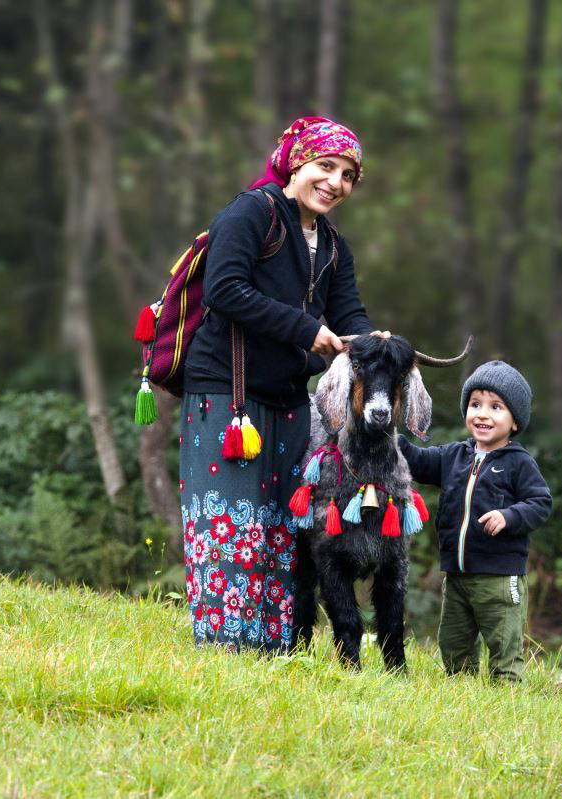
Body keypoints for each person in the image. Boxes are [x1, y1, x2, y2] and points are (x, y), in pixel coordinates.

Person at [180, 116, 377, 652]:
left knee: (281, 527)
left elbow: (349, 314)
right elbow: (224, 290)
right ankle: (225, 649)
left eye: (348, 175)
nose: (335, 183)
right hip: (226, 392)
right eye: (325, 166)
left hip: (291, 400)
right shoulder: (251, 213)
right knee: (230, 521)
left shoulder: (333, 245)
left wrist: (371, 343)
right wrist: (307, 330)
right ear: (295, 163)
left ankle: (274, 651)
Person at [398, 360, 553, 681]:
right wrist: (390, 437)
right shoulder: (454, 455)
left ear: (515, 421)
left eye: (496, 407)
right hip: (457, 574)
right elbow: (416, 461)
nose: (482, 414)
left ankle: (506, 689)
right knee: (453, 642)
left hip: (500, 577)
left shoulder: (519, 463)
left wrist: (509, 516)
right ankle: (461, 686)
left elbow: (540, 503)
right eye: (475, 404)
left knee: (504, 643)